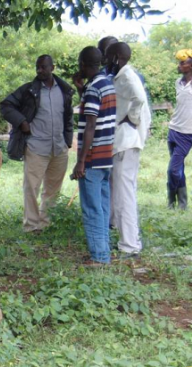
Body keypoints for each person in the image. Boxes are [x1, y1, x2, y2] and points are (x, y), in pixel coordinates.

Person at [1, 55, 75, 234]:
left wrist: (67, 141)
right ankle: (31, 225)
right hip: (36, 147)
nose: (39, 70)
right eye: (37, 67)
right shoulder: (29, 90)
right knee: (31, 188)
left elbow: (68, 117)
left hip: (59, 147)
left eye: (43, 67)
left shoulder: (64, 90)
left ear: (52, 68)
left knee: (53, 189)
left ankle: (45, 223)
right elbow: (5, 105)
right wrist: (22, 122)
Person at [72, 46, 116, 266]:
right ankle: (104, 250)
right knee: (103, 207)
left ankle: (99, 257)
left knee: (91, 208)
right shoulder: (106, 84)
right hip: (106, 155)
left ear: (83, 64)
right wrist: (81, 89)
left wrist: (80, 161)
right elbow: (95, 112)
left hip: (92, 158)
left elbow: (90, 125)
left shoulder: (93, 88)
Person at [106, 42, 151, 260]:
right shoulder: (120, 76)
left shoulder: (127, 76)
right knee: (122, 193)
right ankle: (127, 240)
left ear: (116, 57)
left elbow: (140, 99)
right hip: (123, 143)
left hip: (126, 142)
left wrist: (131, 118)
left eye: (108, 57)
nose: (105, 61)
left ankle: (130, 245)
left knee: (125, 196)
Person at [167, 49, 192, 210]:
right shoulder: (178, 82)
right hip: (173, 130)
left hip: (187, 133)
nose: (179, 65)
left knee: (173, 170)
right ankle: (181, 204)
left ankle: (171, 201)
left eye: (182, 63)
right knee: (178, 168)